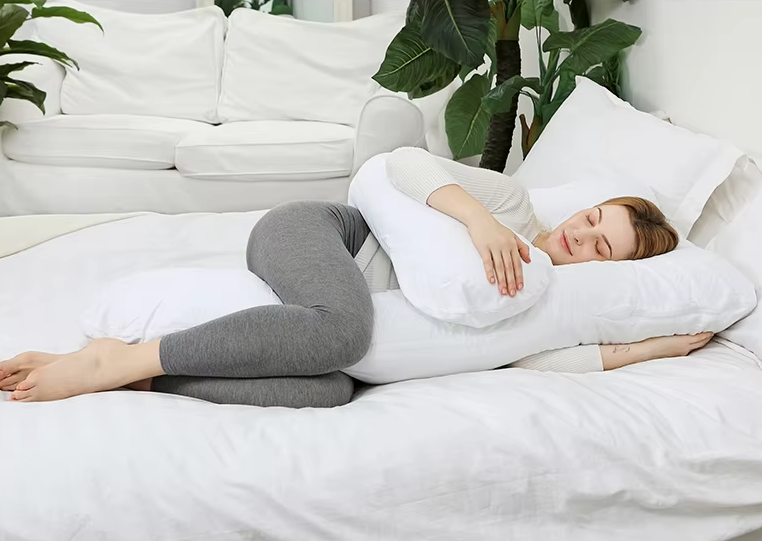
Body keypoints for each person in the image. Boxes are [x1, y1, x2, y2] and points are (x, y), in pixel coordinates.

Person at [0, 148, 709, 406]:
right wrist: (482, 222)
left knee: (332, 390)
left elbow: (541, 360)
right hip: (319, 233)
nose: (580, 234)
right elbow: (406, 165)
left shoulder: (548, 294)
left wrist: (657, 347)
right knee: (344, 331)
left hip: (335, 300)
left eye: (600, 247)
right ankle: (119, 360)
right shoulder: (513, 203)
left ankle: (141, 379)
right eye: (592, 217)